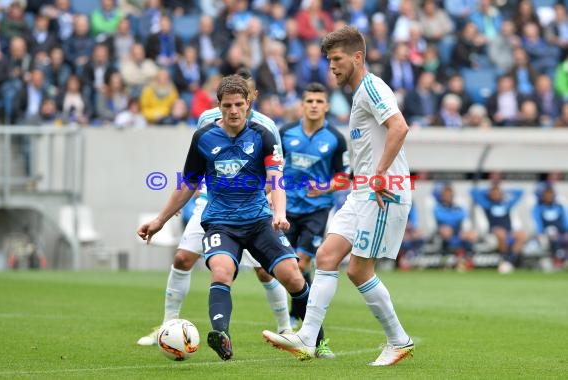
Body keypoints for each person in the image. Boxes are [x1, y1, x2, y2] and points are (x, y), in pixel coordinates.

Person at [263, 25, 415, 366]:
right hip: (360, 192)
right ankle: (306, 336)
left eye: (337, 59)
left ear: (357, 57)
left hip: (382, 193)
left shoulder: (373, 87)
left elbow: (400, 127)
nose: (331, 66)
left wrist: (378, 175)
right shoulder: (358, 93)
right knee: (327, 256)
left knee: (358, 271)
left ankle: (398, 340)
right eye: (329, 60)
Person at [138, 75, 311, 361]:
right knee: (220, 271)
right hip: (220, 221)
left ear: (248, 104)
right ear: (218, 105)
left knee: (291, 276)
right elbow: (188, 183)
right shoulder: (204, 135)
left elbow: (276, 179)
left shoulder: (264, 134)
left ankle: (313, 337)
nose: (233, 110)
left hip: (258, 220)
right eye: (227, 105)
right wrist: (160, 220)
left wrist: (279, 212)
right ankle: (222, 335)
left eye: (238, 104)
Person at [279, 82, 348, 338]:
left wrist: (323, 188)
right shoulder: (285, 133)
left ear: (327, 106)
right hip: (286, 208)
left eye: (319, 102)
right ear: (302, 105)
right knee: (288, 266)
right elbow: (272, 167)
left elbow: (344, 177)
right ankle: (298, 311)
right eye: (310, 101)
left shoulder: (335, 139)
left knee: (303, 260)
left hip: (316, 210)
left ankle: (304, 323)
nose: (314, 106)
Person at [471, 182, 526, 273]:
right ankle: (505, 259)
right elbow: (473, 192)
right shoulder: (486, 205)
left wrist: (505, 191)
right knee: (501, 234)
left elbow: (520, 191)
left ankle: (509, 261)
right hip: (492, 232)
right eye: (493, 192)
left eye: (498, 192)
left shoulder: (507, 205)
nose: (496, 195)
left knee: (522, 235)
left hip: (509, 231)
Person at [532, 184, 568, 269]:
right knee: (552, 233)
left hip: (560, 233)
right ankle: (559, 259)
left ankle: (563, 258)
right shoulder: (538, 208)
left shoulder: (559, 207)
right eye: (546, 194)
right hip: (546, 233)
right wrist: (540, 233)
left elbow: (564, 222)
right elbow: (538, 223)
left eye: (550, 194)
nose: (549, 196)